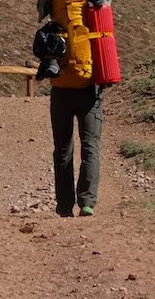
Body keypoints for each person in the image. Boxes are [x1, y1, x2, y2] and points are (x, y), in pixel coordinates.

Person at [50, 44, 103, 218]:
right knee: (90, 147)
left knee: (63, 148)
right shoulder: (92, 23)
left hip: (61, 91)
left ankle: (64, 205)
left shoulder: (57, 21)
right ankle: (87, 203)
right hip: (89, 91)